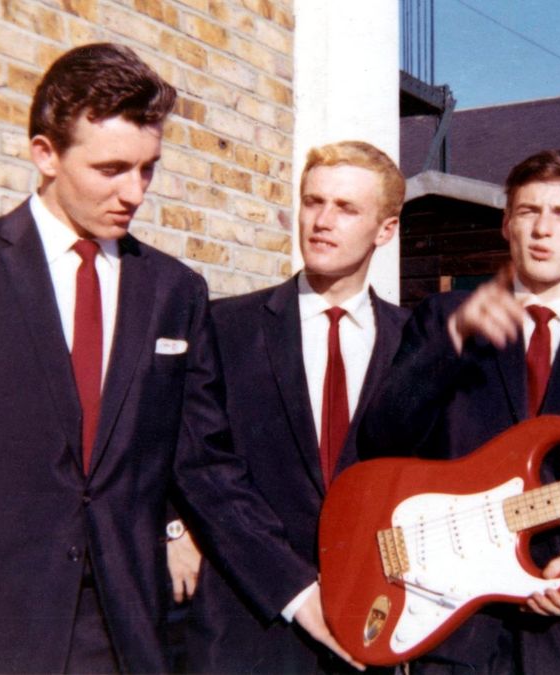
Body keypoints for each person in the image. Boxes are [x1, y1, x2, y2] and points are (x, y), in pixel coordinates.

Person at [0, 43, 350, 674]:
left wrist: (303, 597)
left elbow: (208, 472)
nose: (133, 192)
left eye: (147, 169)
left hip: (118, 634)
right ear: (45, 155)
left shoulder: (174, 292)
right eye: (111, 169)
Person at [359, 149, 560, 674]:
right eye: (528, 211)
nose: (543, 230)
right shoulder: (443, 319)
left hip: (559, 624)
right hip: (450, 618)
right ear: (506, 223)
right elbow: (382, 439)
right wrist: (448, 348)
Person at [165, 140, 409, 672]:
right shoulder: (224, 326)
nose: (322, 221)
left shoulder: (417, 344)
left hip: (373, 626)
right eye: (312, 201)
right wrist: (176, 525)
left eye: (346, 208)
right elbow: (192, 458)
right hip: (248, 622)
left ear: (386, 229)